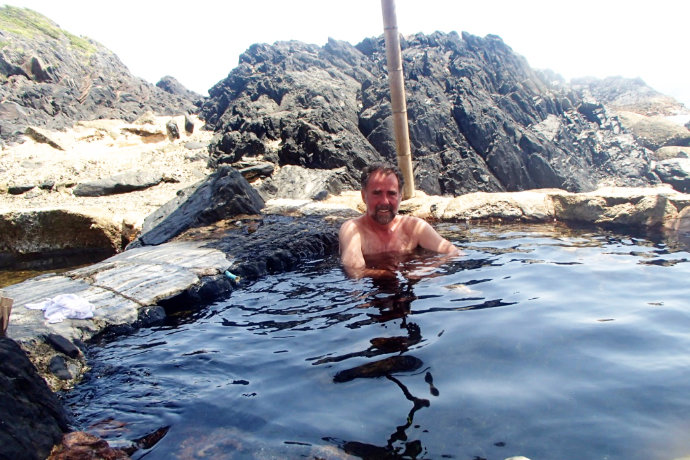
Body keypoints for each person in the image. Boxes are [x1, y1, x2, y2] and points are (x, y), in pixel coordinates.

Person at [339, 163, 460, 278]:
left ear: (400, 197)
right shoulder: (353, 229)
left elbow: (454, 252)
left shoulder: (414, 227)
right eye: (377, 193)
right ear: (364, 196)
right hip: (370, 291)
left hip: (410, 289)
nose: (384, 202)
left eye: (391, 194)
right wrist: (390, 275)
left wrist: (426, 269)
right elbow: (354, 270)